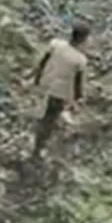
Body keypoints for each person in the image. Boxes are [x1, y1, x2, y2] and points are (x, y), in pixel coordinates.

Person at [31, 24, 89, 157]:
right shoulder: (80, 60)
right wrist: (79, 98)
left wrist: (37, 78)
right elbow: (77, 83)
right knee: (49, 119)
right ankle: (39, 147)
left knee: (44, 114)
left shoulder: (56, 44)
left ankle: (38, 140)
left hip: (45, 83)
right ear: (84, 40)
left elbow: (43, 62)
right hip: (59, 93)